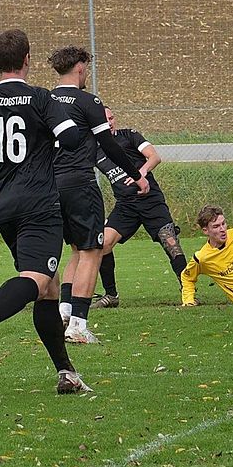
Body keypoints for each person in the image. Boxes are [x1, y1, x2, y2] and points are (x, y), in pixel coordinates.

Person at [0, 28, 91, 394]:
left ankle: (67, 372)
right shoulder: (41, 98)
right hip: (39, 204)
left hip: (4, 205)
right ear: (27, 59)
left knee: (48, 289)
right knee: (38, 278)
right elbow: (72, 138)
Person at [48, 46, 149, 344]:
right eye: (86, 68)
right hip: (79, 183)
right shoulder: (87, 101)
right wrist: (136, 173)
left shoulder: (45, 100)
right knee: (92, 250)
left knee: (75, 251)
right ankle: (78, 326)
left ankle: (64, 313)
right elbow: (110, 144)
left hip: (50, 186)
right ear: (79, 67)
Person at [91, 107, 187, 307]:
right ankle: (111, 296)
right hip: (125, 206)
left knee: (171, 244)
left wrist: (140, 173)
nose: (109, 122)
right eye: (105, 119)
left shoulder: (129, 135)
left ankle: (188, 290)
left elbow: (154, 157)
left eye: (111, 118)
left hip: (151, 201)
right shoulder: (95, 148)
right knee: (103, 243)